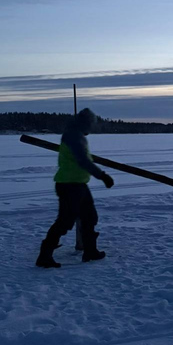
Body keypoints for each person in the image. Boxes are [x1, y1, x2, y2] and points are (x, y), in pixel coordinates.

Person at [36, 108, 114, 268]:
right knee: (64, 221)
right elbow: (83, 160)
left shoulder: (76, 134)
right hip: (69, 185)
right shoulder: (73, 136)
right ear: (85, 123)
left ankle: (90, 251)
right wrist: (102, 175)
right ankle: (44, 256)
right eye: (91, 124)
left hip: (78, 183)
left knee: (89, 216)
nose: (92, 128)